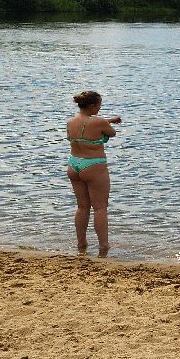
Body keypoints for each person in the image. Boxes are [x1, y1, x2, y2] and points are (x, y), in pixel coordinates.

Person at [66, 90, 121, 253]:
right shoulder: (99, 123)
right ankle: (103, 245)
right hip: (93, 165)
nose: (100, 108)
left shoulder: (70, 122)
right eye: (99, 105)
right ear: (92, 106)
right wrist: (109, 122)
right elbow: (111, 132)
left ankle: (81, 243)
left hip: (74, 165)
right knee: (100, 208)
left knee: (82, 207)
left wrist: (109, 120)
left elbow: (91, 124)